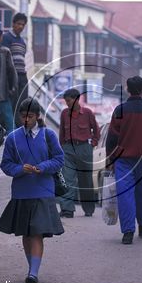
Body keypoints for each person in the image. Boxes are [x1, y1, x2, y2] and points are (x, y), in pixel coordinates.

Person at [0, 98, 64, 283]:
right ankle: (31, 269)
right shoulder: (12, 138)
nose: (26, 120)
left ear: (38, 116)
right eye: (23, 116)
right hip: (21, 192)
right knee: (26, 234)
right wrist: (20, 169)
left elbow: (59, 159)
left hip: (43, 190)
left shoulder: (48, 135)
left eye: (30, 116)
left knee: (36, 233)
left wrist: (42, 167)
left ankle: (33, 273)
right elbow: (5, 164)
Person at [106, 76, 142, 245]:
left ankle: (128, 232)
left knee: (125, 195)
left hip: (124, 161)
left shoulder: (120, 110)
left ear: (127, 89)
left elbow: (112, 138)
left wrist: (111, 158)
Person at [58, 88, 100, 218]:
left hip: (84, 149)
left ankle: (88, 209)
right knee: (67, 179)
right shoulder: (64, 113)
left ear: (76, 99)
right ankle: (67, 209)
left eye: (69, 101)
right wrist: (62, 147)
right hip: (68, 149)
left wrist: (92, 143)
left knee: (85, 180)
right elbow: (61, 133)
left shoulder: (87, 113)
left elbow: (96, 131)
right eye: (66, 101)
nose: (67, 103)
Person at [2, 13, 28, 117]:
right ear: (13, 24)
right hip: (12, 75)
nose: (21, 26)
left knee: (23, 103)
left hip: (23, 75)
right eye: (18, 24)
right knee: (12, 104)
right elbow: (4, 58)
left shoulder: (22, 41)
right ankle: (5, 128)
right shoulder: (6, 37)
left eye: (23, 24)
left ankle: (15, 128)